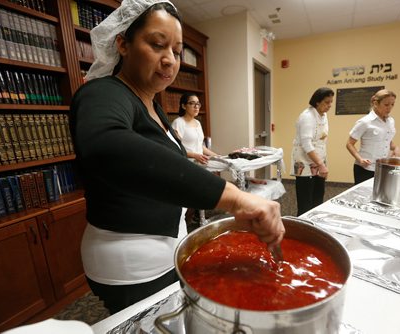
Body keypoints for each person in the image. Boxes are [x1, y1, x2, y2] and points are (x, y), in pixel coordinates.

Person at [69, 0, 284, 314]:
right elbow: (106, 146)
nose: (170, 60)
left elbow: (166, 169)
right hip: (130, 262)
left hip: (166, 248)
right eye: (157, 45)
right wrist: (233, 198)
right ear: (123, 44)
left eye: (177, 50)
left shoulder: (154, 105)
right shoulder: (103, 93)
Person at [291, 87, 334, 216]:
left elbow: (321, 140)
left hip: (318, 160)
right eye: (327, 102)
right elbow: (306, 144)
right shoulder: (307, 117)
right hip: (304, 162)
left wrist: (322, 164)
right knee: (306, 202)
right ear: (317, 102)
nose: (330, 105)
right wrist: (321, 164)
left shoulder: (323, 115)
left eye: (331, 102)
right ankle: (303, 229)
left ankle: (315, 227)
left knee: (318, 198)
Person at [346, 89, 400, 185]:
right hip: (366, 168)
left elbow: (387, 140)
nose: (390, 108)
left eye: (392, 104)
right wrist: (360, 159)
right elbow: (349, 144)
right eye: (386, 105)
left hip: (383, 167)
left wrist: (395, 148)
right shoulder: (365, 122)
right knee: (363, 197)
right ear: (375, 103)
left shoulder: (391, 121)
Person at [172, 92, 217, 165]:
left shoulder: (198, 123)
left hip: (200, 161)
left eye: (198, 104)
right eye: (192, 103)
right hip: (186, 163)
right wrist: (195, 156)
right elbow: (175, 149)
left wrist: (217, 156)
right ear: (183, 106)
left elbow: (199, 146)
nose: (196, 107)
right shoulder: (178, 123)